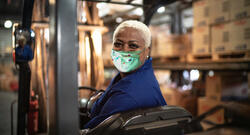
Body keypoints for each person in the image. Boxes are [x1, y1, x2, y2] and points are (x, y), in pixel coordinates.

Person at [84, 20, 166, 129]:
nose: (124, 50)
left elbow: (94, 130)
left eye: (133, 45)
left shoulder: (129, 95)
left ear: (147, 51)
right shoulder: (135, 76)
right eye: (118, 44)